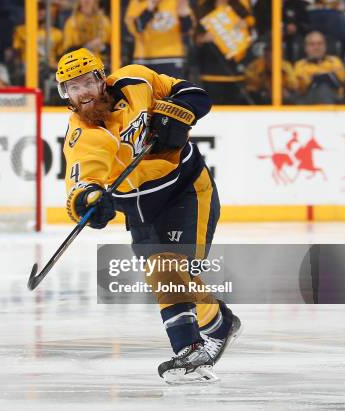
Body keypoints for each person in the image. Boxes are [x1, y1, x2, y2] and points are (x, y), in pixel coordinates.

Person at [55, 48, 241, 383]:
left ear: (101, 79)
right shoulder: (83, 134)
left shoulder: (136, 79)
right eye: (71, 87)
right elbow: (82, 183)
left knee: (169, 269)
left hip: (186, 189)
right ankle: (220, 325)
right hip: (140, 209)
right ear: (64, 94)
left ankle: (188, 348)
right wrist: (89, 200)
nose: (81, 92)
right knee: (170, 274)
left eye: (85, 82)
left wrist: (178, 113)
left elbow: (193, 94)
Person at [194, 0, 255, 104]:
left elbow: (252, 23)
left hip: (235, 69)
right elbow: (194, 37)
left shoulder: (238, 6)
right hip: (210, 70)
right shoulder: (203, 7)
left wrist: (246, 23)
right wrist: (204, 38)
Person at [124, 0, 195, 77]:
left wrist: (183, 13)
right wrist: (150, 7)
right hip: (143, 57)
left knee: (169, 88)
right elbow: (135, 28)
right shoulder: (137, 2)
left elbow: (188, 31)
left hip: (171, 57)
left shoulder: (177, 2)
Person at [294, 31, 345, 104]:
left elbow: (341, 81)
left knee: (324, 89)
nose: (316, 47)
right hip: (310, 102)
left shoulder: (335, 61)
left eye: (320, 44)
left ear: (325, 46)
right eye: (312, 44)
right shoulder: (300, 65)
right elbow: (299, 87)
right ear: (306, 48)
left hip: (336, 101)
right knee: (322, 89)